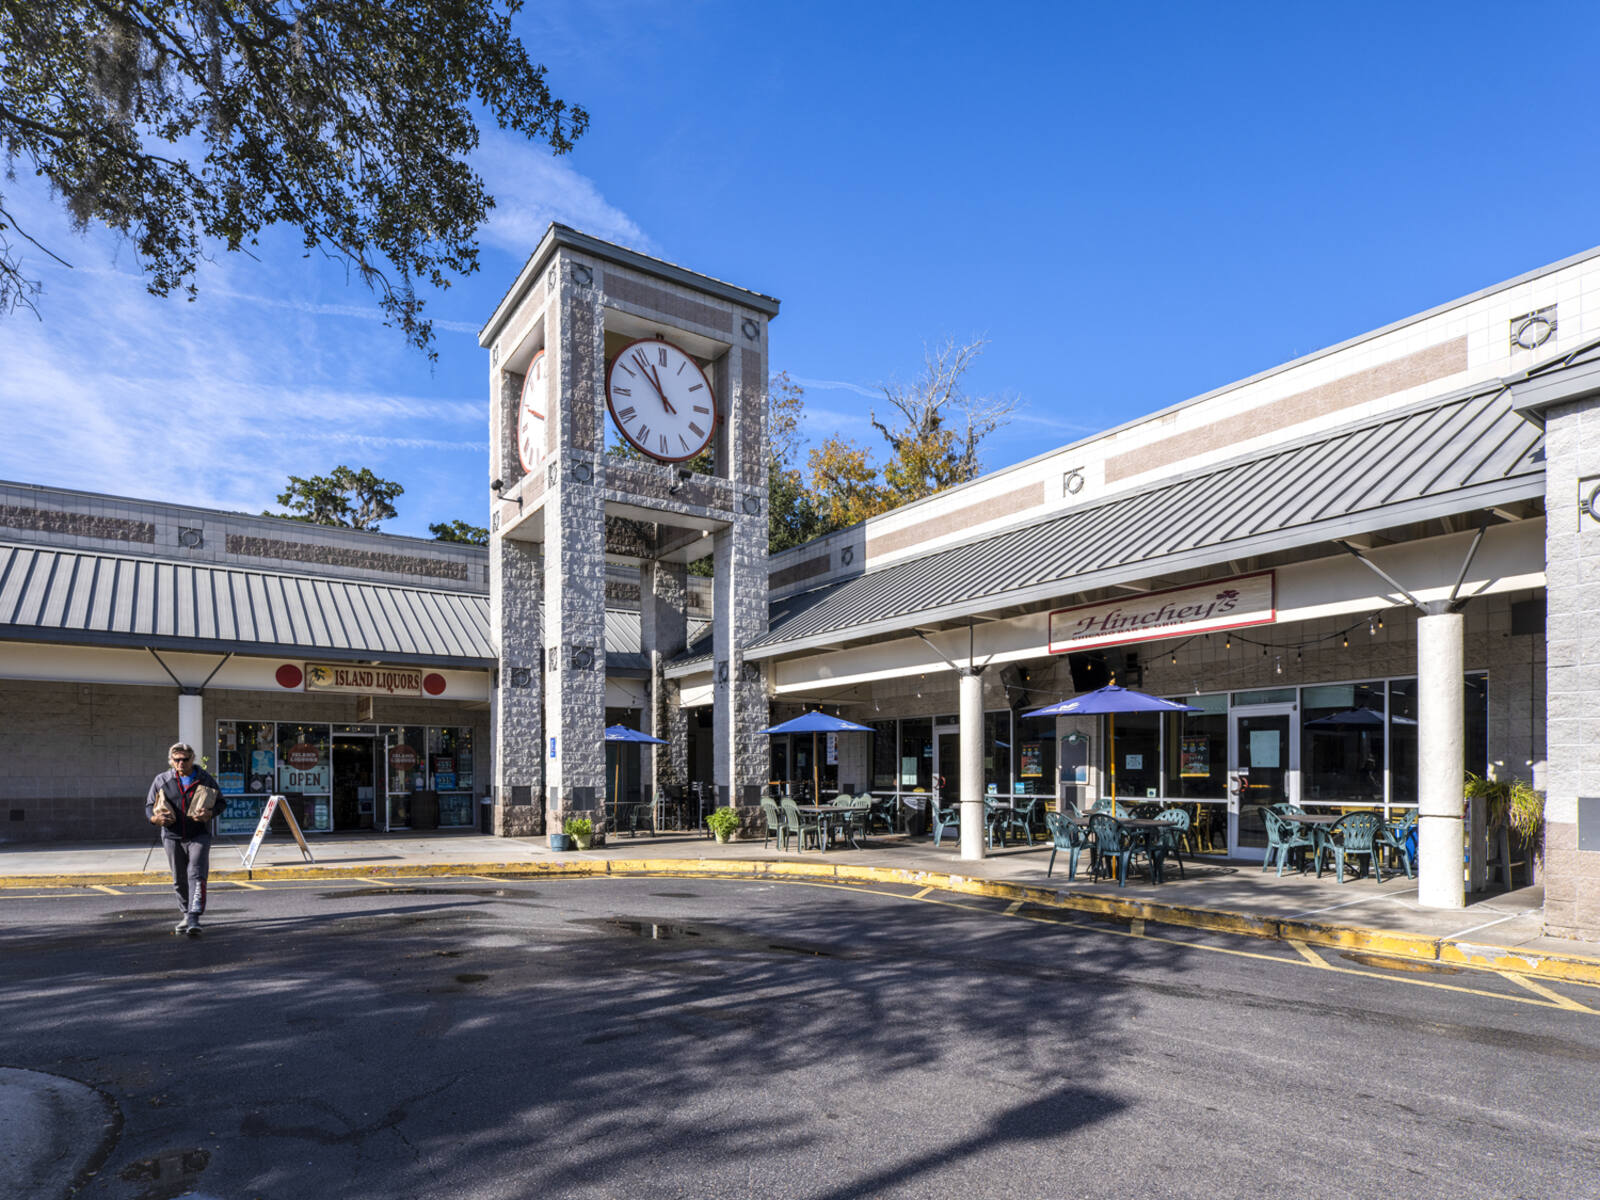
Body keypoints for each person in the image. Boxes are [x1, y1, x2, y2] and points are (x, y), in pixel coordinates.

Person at [145, 742, 226, 936]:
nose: (181, 763)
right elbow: (149, 806)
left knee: (196, 875)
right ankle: (185, 913)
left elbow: (221, 803)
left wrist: (210, 813)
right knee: (179, 878)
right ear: (171, 761)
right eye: (176, 760)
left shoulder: (205, 778)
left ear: (193, 759)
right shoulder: (162, 780)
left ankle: (194, 918)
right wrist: (154, 819)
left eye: (185, 759)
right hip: (172, 836)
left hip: (199, 835)